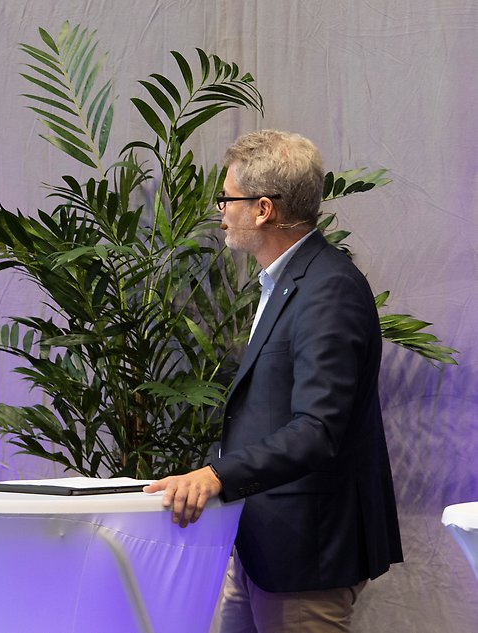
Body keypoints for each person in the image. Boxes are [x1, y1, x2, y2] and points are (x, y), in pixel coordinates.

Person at [144, 130, 403, 632]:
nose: (220, 211)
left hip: (306, 556)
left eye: (226, 198)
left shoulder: (328, 291)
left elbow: (317, 429)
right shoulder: (286, 280)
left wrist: (216, 477)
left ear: (263, 209)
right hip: (265, 546)